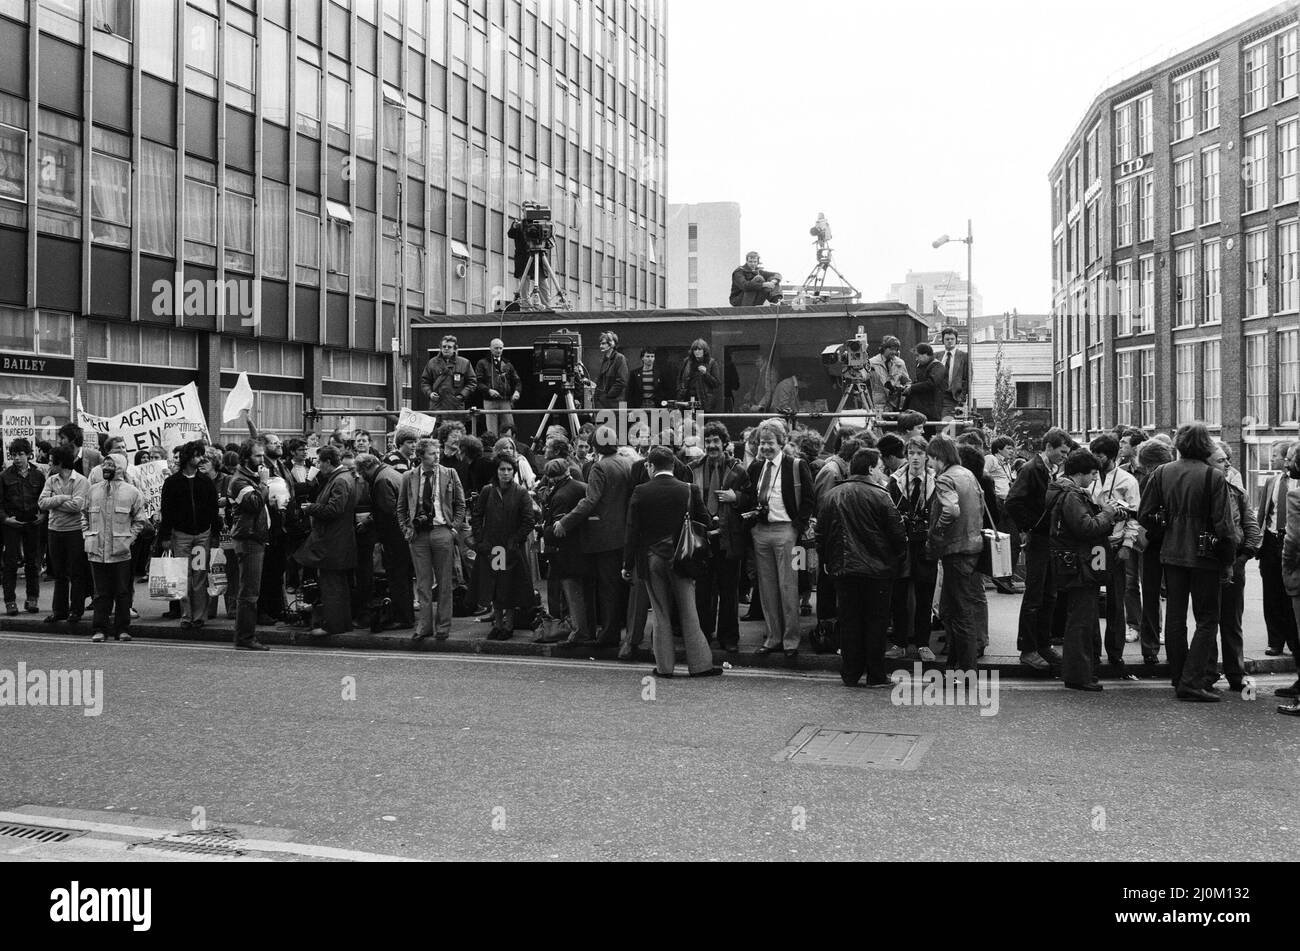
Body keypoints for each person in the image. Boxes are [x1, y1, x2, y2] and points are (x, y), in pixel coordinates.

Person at [1137, 422, 1239, 702]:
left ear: (1178, 445)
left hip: (1171, 553)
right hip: (1205, 556)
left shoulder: (1161, 472)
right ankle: (1192, 681)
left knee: (1175, 618)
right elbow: (1225, 527)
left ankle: (1179, 676)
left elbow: (1144, 515)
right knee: (1207, 619)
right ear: (1206, 445)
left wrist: (1166, 525)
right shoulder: (1213, 477)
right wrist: (1228, 561)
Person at [623, 446, 719, 678]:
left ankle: (664, 667)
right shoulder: (689, 489)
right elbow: (705, 521)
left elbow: (632, 531)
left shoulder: (640, 491)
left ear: (650, 466)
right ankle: (700, 665)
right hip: (682, 559)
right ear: (674, 465)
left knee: (660, 612)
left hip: (652, 559)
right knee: (688, 610)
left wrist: (627, 564)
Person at [817, 448, 907, 688]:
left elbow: (820, 534)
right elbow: (898, 535)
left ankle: (851, 673)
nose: (881, 472)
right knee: (875, 623)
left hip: (843, 569)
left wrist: (828, 560)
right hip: (877, 572)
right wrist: (897, 559)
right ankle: (876, 675)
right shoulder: (881, 495)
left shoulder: (832, 495)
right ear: (869, 469)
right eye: (879, 467)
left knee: (850, 622)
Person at [740, 420, 814, 661]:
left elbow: (810, 500)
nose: (765, 447)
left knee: (788, 586)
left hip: (787, 532)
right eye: (762, 443)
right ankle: (773, 637)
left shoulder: (797, 466)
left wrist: (797, 527)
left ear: (781, 442)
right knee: (767, 588)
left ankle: (791, 640)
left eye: (770, 442)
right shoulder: (756, 468)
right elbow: (749, 496)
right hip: (761, 532)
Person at [1047, 450, 1118, 691]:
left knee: (1082, 619)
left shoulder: (1070, 493)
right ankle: (1079, 675)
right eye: (1092, 473)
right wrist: (1107, 513)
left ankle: (1082, 671)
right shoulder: (1072, 497)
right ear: (1079, 474)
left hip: (1078, 564)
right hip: (1080, 566)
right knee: (1081, 621)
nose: (1094, 478)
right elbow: (1085, 528)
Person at [555, 427, 632, 647]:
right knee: (617, 586)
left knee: (607, 588)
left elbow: (590, 500)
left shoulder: (600, 467)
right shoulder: (626, 462)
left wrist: (564, 522)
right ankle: (615, 630)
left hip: (603, 537)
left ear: (595, 445)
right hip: (622, 534)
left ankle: (608, 635)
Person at [1006, 427, 1071, 671]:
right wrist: (1030, 526)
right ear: (1049, 447)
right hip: (1040, 539)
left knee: (1049, 594)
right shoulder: (1032, 469)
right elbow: (1013, 501)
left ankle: (1043, 644)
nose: (1065, 456)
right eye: (1062, 452)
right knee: (1035, 595)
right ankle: (1028, 649)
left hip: (1050, 539)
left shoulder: (1048, 469)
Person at [690, 422, 751, 653]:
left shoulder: (738, 469)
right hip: (703, 537)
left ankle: (729, 638)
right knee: (703, 590)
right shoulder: (694, 467)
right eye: (708, 441)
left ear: (725, 443)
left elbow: (751, 499)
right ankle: (704, 634)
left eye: (716, 441)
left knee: (729, 591)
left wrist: (736, 497)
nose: (711, 445)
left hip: (728, 538)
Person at [924, 435, 984, 671]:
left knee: (960, 613)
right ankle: (955, 665)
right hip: (972, 547)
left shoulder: (946, 478)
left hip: (955, 550)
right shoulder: (967, 474)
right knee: (951, 610)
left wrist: (937, 531)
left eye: (930, 459)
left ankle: (966, 670)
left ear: (939, 457)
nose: (929, 465)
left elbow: (950, 509)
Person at [399, 437, 466, 643]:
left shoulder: (449, 473)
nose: (437, 457)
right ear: (421, 456)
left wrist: (453, 528)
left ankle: (443, 626)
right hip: (418, 535)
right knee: (423, 583)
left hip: (441, 531)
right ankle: (424, 626)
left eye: (437, 453)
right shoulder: (409, 477)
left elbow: (460, 504)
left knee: (445, 581)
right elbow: (401, 507)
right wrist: (406, 529)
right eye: (432, 453)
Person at [1210, 442, 1262, 693]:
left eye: (1228, 459)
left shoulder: (1237, 491)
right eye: (1222, 460)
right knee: (1207, 620)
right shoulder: (1203, 491)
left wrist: (1244, 557)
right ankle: (1208, 671)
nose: (1229, 464)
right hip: (1208, 564)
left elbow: (1251, 525)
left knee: (1231, 621)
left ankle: (1235, 672)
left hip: (1235, 563)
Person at [1088, 434, 1141, 675]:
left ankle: (1115, 653)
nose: (1096, 459)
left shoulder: (1127, 481)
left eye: (1100, 455)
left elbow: (1134, 517)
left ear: (1111, 456)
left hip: (1116, 545)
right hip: (1095, 545)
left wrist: (1128, 545)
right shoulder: (1088, 477)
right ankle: (1093, 653)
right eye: (1094, 454)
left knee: (1115, 602)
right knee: (1090, 599)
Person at [156, 440, 221, 631]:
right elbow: (166, 511)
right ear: (187, 457)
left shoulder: (205, 481)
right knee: (183, 576)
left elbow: (213, 510)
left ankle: (200, 616)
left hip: (202, 535)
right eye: (196, 455)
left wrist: (214, 534)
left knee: (199, 575)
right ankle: (186, 616)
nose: (200, 459)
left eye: (201, 455)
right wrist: (165, 537)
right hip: (181, 535)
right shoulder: (172, 483)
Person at [470, 453, 536, 641]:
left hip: (510, 549)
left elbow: (528, 520)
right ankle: (497, 624)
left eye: (509, 469)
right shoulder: (487, 491)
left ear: (514, 472)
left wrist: (515, 540)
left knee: (510, 587)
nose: (505, 473)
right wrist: (480, 539)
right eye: (502, 469)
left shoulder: (520, 492)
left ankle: (509, 625)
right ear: (496, 471)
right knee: (494, 586)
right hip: (491, 548)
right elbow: (477, 515)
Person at [83, 453, 146, 643]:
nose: (106, 468)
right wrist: (86, 535)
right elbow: (83, 516)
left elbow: (139, 520)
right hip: (97, 550)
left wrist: (129, 539)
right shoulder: (93, 490)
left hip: (121, 551)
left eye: (111, 465)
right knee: (100, 593)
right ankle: (100, 629)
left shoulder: (132, 492)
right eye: (105, 464)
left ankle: (122, 629)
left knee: (122, 592)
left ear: (120, 467)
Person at [888, 436, 938, 661]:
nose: (915, 458)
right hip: (902, 545)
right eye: (911, 453)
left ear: (926, 456)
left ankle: (922, 643)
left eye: (919, 453)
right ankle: (899, 643)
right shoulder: (895, 481)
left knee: (924, 595)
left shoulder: (936, 480)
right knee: (898, 595)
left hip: (925, 545)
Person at [537, 458, 591, 647]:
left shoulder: (560, 496)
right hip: (584, 547)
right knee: (584, 593)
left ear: (551, 478)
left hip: (567, 552)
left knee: (571, 593)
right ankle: (585, 629)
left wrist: (544, 531)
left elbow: (558, 531)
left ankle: (578, 632)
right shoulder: (583, 486)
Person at [38, 446, 90, 627]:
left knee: (76, 572)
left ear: (61, 462)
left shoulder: (81, 481)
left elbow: (78, 506)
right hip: (54, 530)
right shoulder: (51, 479)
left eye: (52, 461)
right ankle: (59, 611)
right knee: (59, 574)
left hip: (75, 531)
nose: (49, 463)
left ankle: (76, 611)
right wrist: (62, 498)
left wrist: (55, 500)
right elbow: (42, 503)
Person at [228, 439, 272, 651]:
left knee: (251, 590)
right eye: (257, 456)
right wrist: (264, 484)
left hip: (256, 537)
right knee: (249, 592)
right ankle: (245, 637)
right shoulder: (238, 481)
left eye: (263, 455)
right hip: (248, 539)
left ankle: (245, 636)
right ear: (246, 458)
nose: (262, 460)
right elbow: (254, 504)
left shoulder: (250, 477)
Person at [1259, 441, 1300, 658]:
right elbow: (1264, 514)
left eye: (1275, 454)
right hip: (1271, 542)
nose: (1272, 459)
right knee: (1271, 595)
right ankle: (1274, 641)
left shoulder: (1297, 485)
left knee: (1290, 597)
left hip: (1292, 543)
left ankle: (1295, 643)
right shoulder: (1271, 481)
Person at [1, 437, 45, 615]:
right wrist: (5, 519)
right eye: (13, 455)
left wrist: (44, 515)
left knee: (33, 563)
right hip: (12, 524)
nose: (17, 458)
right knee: (10, 563)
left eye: (20, 454)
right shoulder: (4, 476)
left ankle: (32, 599)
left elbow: (44, 498)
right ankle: (10, 601)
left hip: (32, 523)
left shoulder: (38, 475)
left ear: (29, 455)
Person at [1277, 446, 1300, 715]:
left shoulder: (1295, 496)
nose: (1288, 463)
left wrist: (1287, 570)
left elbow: (1293, 541)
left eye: (1292, 459)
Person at [476, 339, 523, 434]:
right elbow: (478, 382)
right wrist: (488, 390)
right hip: (489, 401)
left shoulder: (508, 364)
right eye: (496, 348)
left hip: (505, 401)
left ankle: (508, 446)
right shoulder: (482, 363)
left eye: (500, 348)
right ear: (490, 348)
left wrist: (517, 392)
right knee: (491, 430)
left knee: (508, 429)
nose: (498, 350)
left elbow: (517, 381)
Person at [420, 335, 477, 412]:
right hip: (437, 406)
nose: (446, 349)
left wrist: (462, 395)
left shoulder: (464, 363)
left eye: (449, 347)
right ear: (440, 348)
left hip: (456, 406)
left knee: (456, 424)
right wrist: (430, 393)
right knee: (438, 424)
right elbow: (425, 382)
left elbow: (472, 382)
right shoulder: (432, 363)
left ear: (455, 349)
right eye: (444, 346)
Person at [902, 344, 949, 422]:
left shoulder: (938, 366)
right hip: (921, 409)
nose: (916, 359)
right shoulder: (923, 366)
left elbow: (931, 383)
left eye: (918, 356)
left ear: (926, 354)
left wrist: (912, 387)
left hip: (930, 410)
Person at [867, 336, 910, 413]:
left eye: (896, 350)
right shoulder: (872, 362)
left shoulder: (900, 363)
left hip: (897, 404)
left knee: (896, 425)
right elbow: (864, 379)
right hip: (880, 404)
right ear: (883, 348)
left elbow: (907, 381)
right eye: (891, 349)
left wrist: (906, 388)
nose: (894, 352)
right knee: (880, 424)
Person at [677, 339, 721, 412]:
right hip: (687, 399)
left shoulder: (711, 363)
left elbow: (716, 383)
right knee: (688, 422)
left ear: (704, 350)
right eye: (695, 349)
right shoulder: (687, 362)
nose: (697, 351)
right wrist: (679, 391)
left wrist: (706, 373)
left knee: (700, 422)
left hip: (703, 400)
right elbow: (679, 378)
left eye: (699, 349)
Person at [591, 332, 629, 411]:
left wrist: (607, 395)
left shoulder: (620, 358)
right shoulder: (604, 360)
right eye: (601, 343)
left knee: (618, 423)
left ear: (612, 344)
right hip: (606, 404)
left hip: (616, 403)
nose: (601, 346)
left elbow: (622, 381)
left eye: (604, 343)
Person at [938, 327, 970, 418]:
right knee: (940, 422)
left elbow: (968, 377)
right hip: (939, 397)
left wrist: (962, 396)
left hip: (955, 397)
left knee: (952, 424)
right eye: (947, 339)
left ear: (956, 340)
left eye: (952, 339)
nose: (950, 341)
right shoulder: (937, 356)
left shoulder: (964, 356)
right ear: (943, 341)